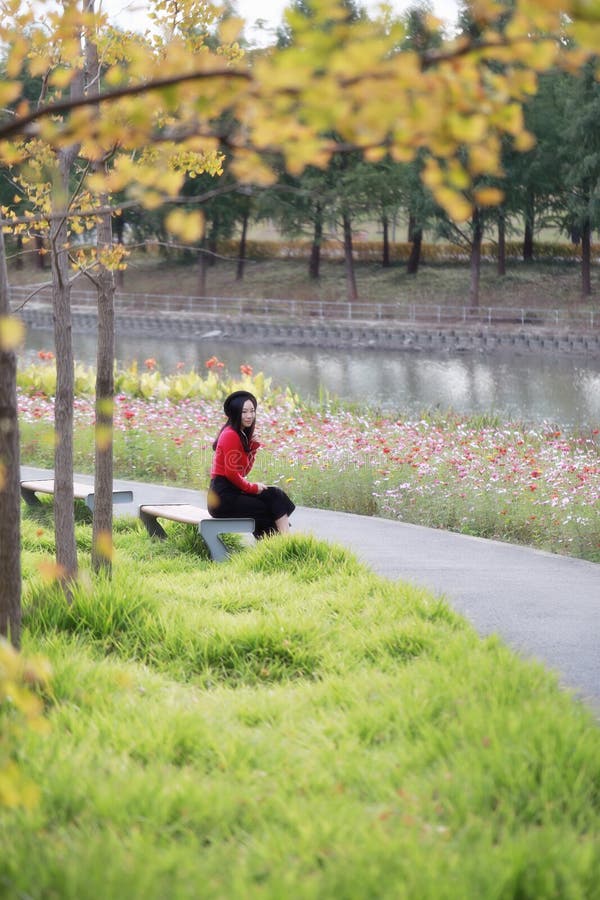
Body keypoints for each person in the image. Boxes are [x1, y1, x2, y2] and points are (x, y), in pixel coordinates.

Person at [207, 390, 295, 538]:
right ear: (235, 413)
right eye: (244, 412)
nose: (249, 416)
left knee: (274, 494)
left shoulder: (240, 434)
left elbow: (242, 472)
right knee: (267, 509)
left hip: (232, 493)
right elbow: (231, 474)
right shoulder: (230, 435)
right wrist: (253, 488)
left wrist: (252, 449)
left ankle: (283, 542)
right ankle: (284, 544)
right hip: (222, 498)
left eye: (252, 411)